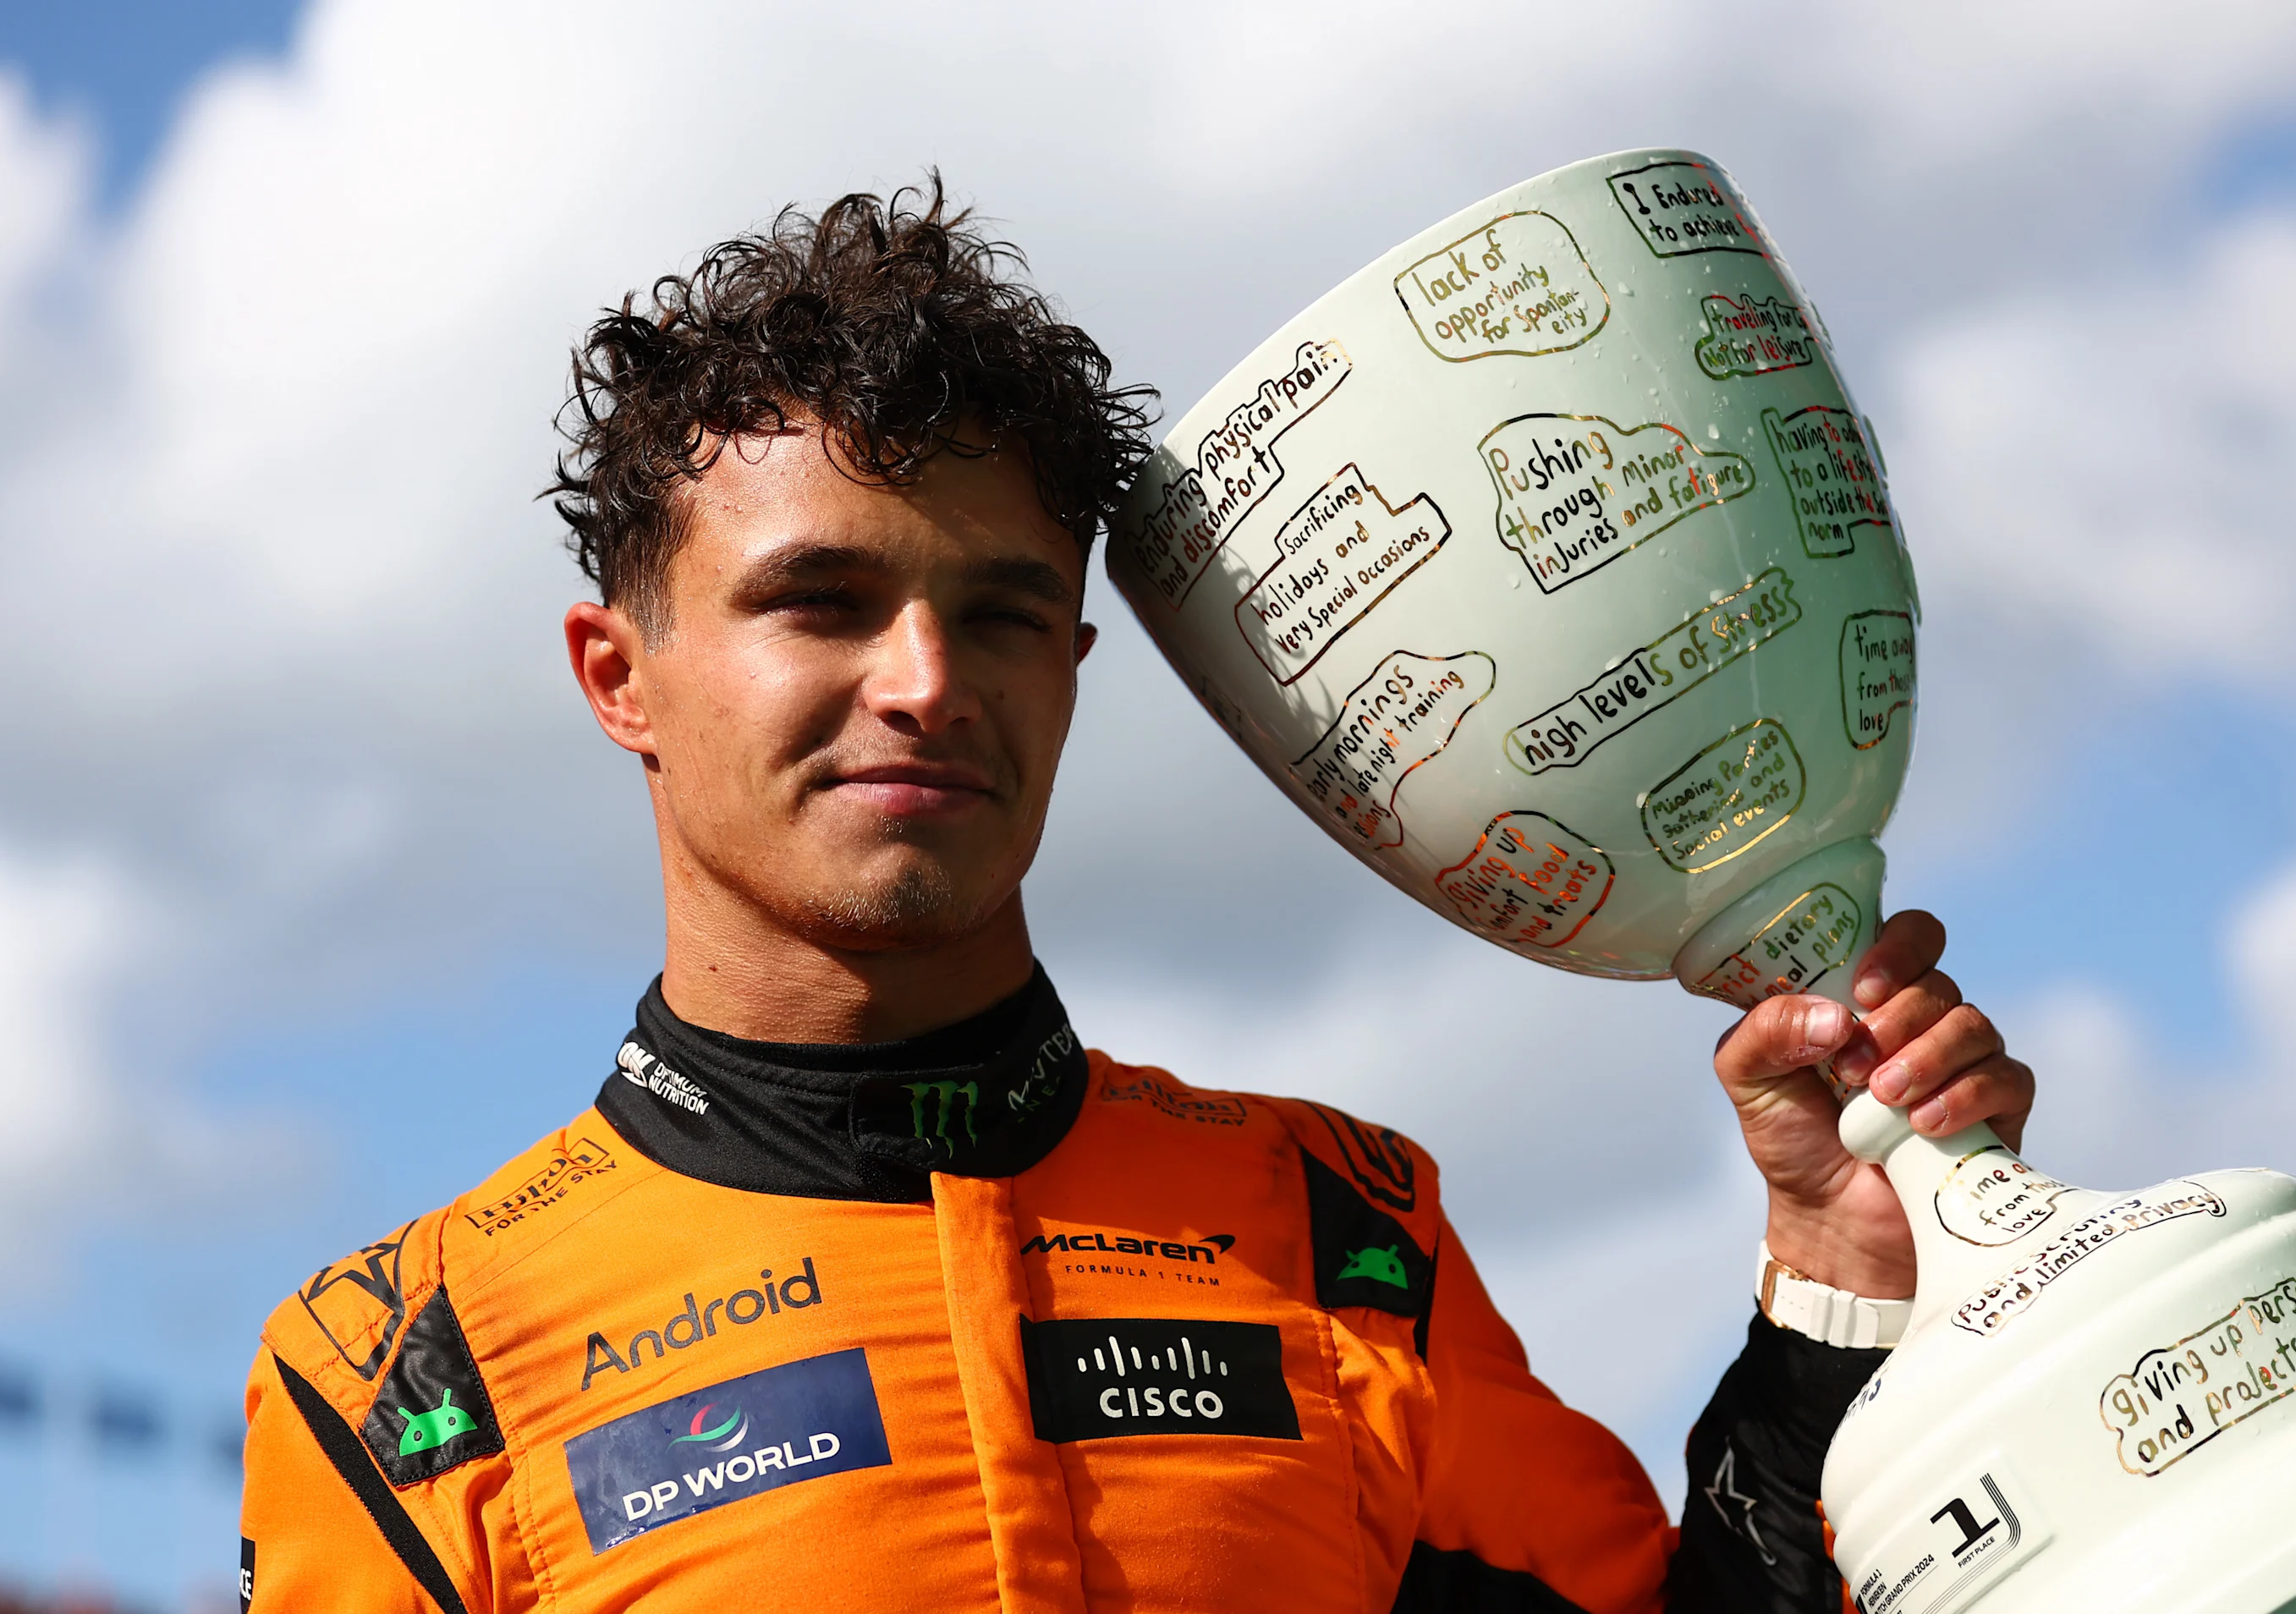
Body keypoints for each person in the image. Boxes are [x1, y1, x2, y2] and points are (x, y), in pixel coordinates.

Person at [234, 182, 2035, 1613]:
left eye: (1004, 611)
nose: (929, 678)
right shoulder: (402, 1369)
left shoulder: (1347, 1235)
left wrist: (1831, 1285)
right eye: (822, 601)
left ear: (1077, 665)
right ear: (618, 673)